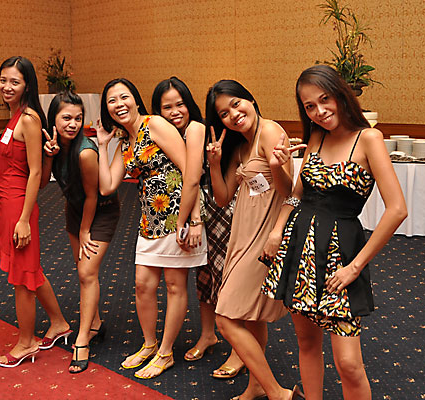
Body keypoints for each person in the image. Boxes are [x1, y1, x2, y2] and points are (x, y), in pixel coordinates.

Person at [261, 65, 407, 400]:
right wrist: (277, 227)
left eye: (325, 99)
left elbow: (398, 209)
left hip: (342, 255)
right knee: (307, 343)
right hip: (300, 248)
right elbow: (296, 195)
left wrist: (355, 267)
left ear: (341, 94)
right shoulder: (317, 136)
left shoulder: (369, 138)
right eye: (310, 106)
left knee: (349, 363)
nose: (320, 111)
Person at [97, 78, 207, 379]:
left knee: (174, 286)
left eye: (124, 97)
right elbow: (107, 186)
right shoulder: (125, 141)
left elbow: (190, 170)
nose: (119, 104)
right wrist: (103, 145)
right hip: (149, 222)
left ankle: (166, 352)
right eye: (112, 101)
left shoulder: (155, 124)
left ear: (136, 99)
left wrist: (194, 219)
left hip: (177, 218)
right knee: (142, 286)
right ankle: (149, 344)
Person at [205, 79, 305, 400]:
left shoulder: (271, 132)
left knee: (225, 318)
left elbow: (290, 192)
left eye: (236, 104)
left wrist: (277, 234)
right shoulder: (241, 146)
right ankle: (256, 387)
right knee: (250, 317)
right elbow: (222, 198)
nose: (233, 114)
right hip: (243, 234)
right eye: (224, 113)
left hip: (266, 235)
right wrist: (215, 164)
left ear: (250, 99)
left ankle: (278, 393)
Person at [0, 56, 71, 368]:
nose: (6, 87)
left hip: (20, 205)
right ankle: (58, 323)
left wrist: (23, 220)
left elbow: (36, 174)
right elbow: (1, 157)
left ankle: (26, 343)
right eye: (3, 80)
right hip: (6, 203)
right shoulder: (14, 115)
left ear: (27, 85)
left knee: (22, 278)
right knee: (30, 270)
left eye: (14, 82)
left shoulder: (29, 118)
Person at [151, 77, 244, 379]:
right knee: (205, 276)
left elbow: (194, 178)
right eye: (167, 107)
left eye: (180, 104)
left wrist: (190, 220)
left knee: (227, 276)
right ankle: (208, 334)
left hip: (217, 207)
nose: (175, 111)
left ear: (189, 104)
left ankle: (239, 349)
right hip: (196, 208)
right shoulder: (167, 134)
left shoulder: (196, 128)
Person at [40, 91, 120, 373]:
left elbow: (92, 195)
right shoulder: (52, 145)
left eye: (78, 118)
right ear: (53, 119)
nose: (72, 124)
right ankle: (95, 323)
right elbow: (43, 182)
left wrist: (85, 230)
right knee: (83, 271)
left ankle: (82, 339)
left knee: (87, 272)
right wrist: (48, 156)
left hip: (101, 211)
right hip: (75, 209)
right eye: (66, 118)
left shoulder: (85, 152)